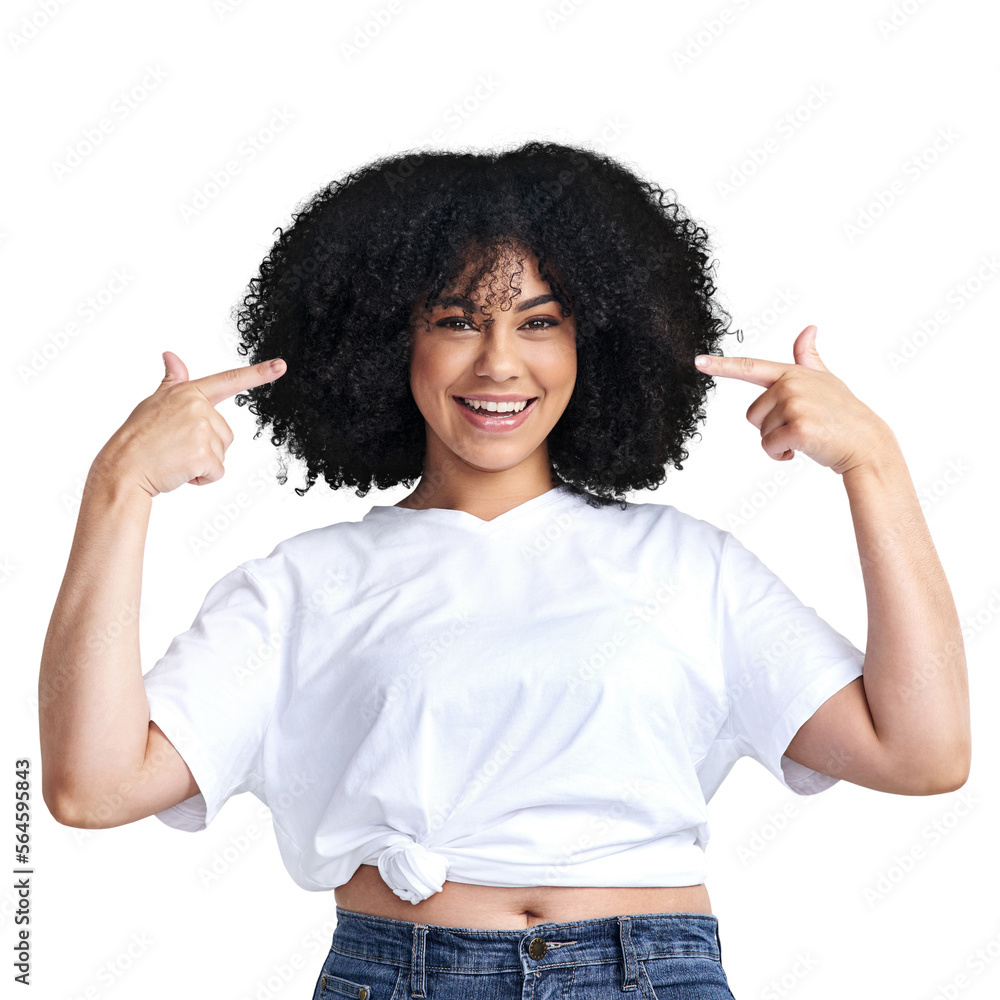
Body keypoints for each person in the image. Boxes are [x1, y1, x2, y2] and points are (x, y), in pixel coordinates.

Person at [39, 141, 970, 1000]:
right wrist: (118, 487)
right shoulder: (301, 585)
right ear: (389, 340)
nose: (499, 362)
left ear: (593, 341)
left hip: (649, 972)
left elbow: (921, 752)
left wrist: (873, 465)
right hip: (400, 973)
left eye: (540, 321)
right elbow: (94, 785)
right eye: (456, 319)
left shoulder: (688, 563)